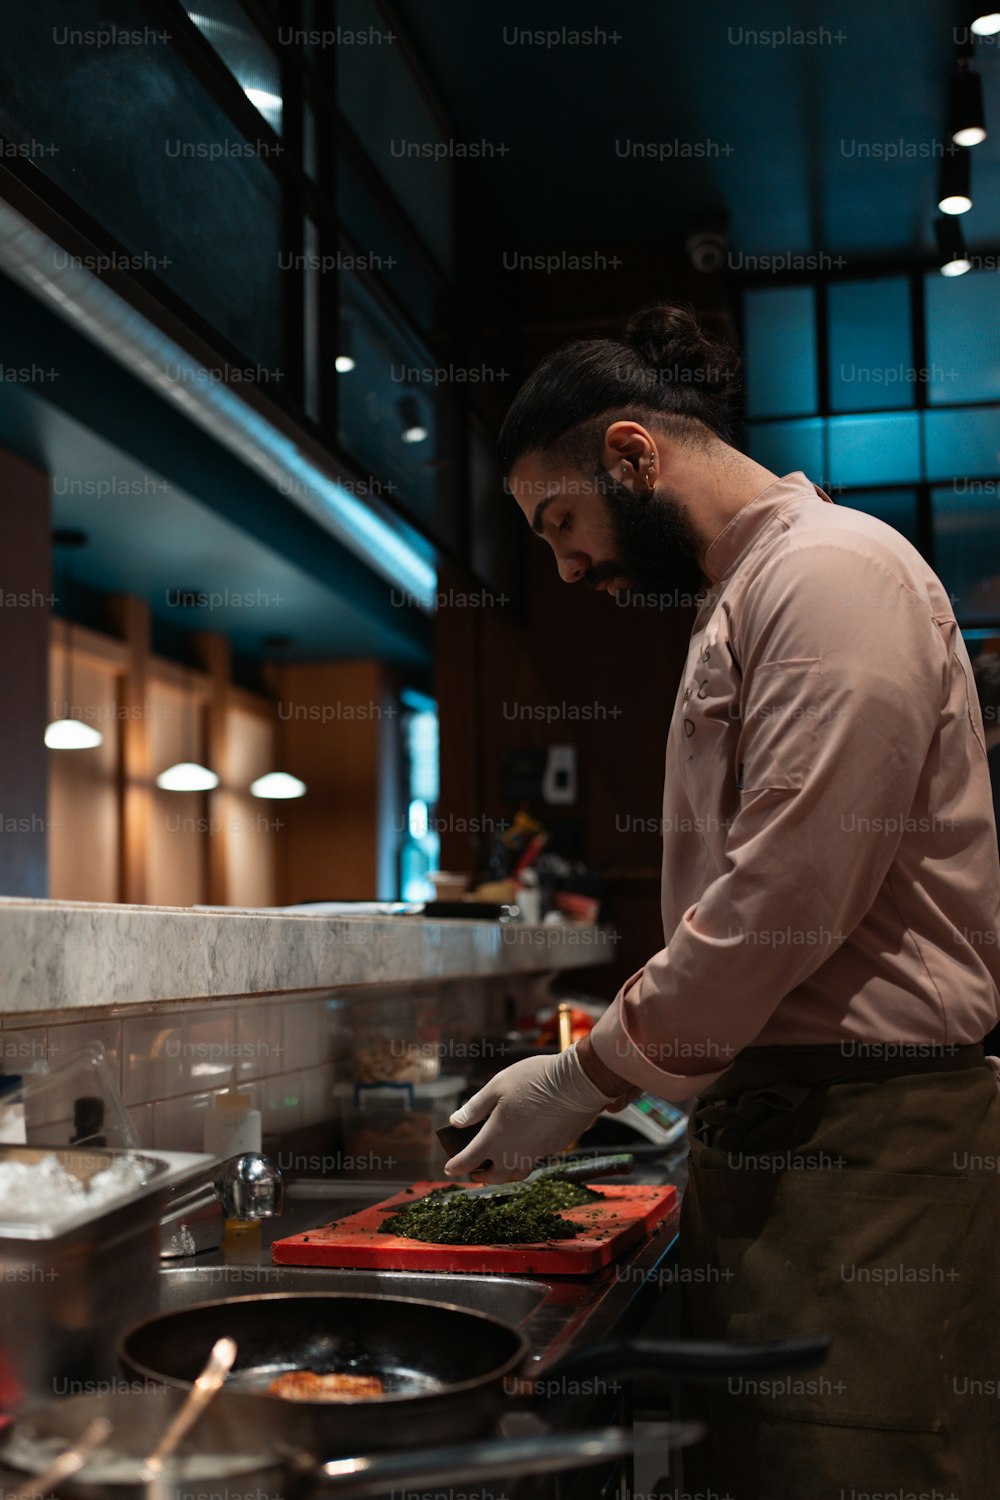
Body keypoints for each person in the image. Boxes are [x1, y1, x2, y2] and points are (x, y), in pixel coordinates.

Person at [443, 303, 1000, 1499]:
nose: (569, 565)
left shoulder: (829, 570)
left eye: (563, 521)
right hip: (794, 1130)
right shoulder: (741, 592)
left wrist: (587, 1075)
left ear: (633, 453)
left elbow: (789, 888)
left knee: (856, 1472)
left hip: (871, 1140)